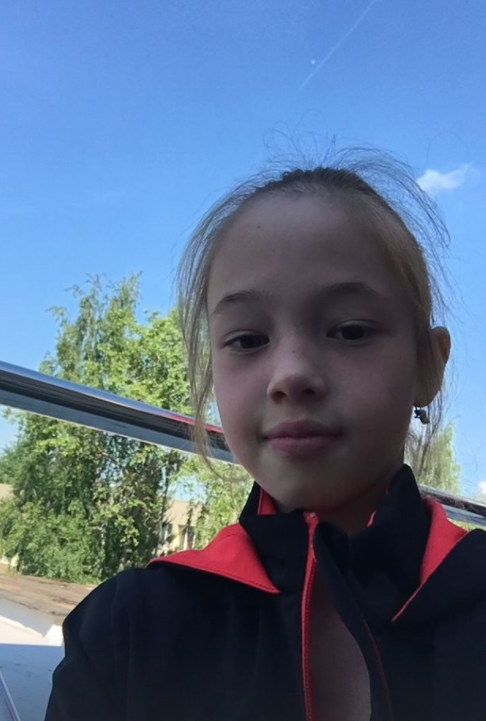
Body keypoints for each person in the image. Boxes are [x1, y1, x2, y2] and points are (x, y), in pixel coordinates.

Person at [44, 150, 486, 721]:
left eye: (350, 330)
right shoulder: (125, 631)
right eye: (248, 340)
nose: (291, 375)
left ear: (428, 363)